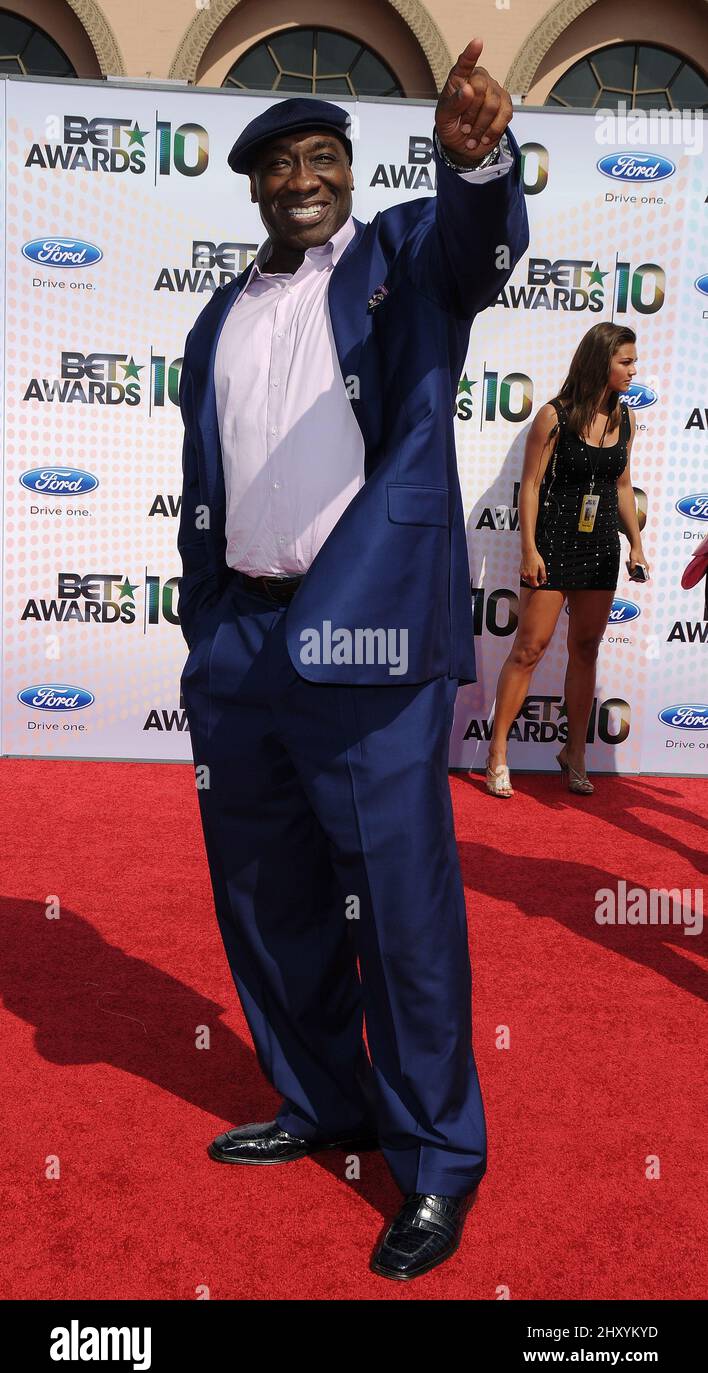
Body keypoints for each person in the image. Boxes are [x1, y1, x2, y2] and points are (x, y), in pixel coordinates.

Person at [177, 39, 529, 1281]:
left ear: (351, 169)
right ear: (255, 189)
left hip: (370, 642)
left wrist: (478, 162)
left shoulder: (397, 264)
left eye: (321, 155)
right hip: (244, 645)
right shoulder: (219, 313)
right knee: (270, 898)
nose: (301, 177)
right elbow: (207, 479)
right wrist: (202, 623)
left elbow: (477, 249)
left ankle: (438, 1161)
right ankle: (323, 1097)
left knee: (403, 908)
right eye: (278, 164)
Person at [485, 322, 650, 798]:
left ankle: (574, 752)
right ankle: (498, 750)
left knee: (586, 651)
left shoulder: (626, 419)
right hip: (553, 543)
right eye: (626, 362)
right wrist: (529, 549)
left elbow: (622, 486)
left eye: (634, 362)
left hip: (601, 546)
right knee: (529, 649)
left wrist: (636, 543)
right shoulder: (553, 417)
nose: (633, 371)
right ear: (601, 361)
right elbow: (531, 486)